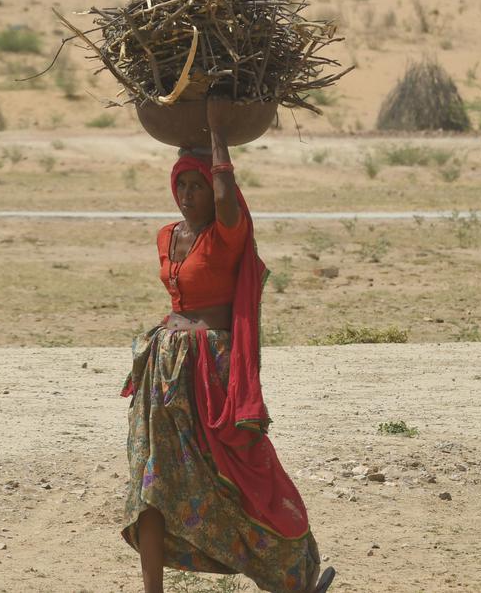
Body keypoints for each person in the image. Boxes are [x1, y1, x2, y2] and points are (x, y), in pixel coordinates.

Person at [121, 98, 334, 593]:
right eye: (183, 185)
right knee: (149, 478)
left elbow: (227, 194)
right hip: (164, 369)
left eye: (198, 186)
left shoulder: (227, 234)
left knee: (239, 471)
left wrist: (216, 133)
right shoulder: (166, 235)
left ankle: (289, 577)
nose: (189, 195)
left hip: (210, 368)